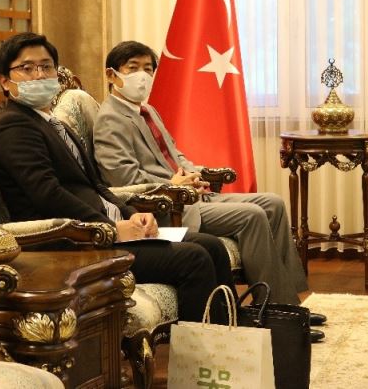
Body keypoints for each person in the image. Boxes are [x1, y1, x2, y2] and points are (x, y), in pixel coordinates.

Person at [0, 32, 235, 324]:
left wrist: (133, 214)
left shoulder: (52, 123)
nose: (39, 75)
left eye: (46, 66)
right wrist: (111, 228)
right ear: (5, 80)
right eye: (27, 68)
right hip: (72, 243)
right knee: (193, 258)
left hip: (105, 231)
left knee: (211, 246)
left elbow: (96, 186)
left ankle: (231, 336)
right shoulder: (14, 127)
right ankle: (199, 351)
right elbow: (48, 195)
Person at [92, 41, 327, 341]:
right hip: (167, 206)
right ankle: (272, 314)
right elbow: (122, 177)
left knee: (273, 203)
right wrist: (172, 186)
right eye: (133, 68)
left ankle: (288, 306)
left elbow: (174, 154)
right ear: (112, 75)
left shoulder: (147, 110)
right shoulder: (110, 118)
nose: (142, 76)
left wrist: (195, 173)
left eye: (148, 69)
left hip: (190, 192)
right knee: (252, 216)